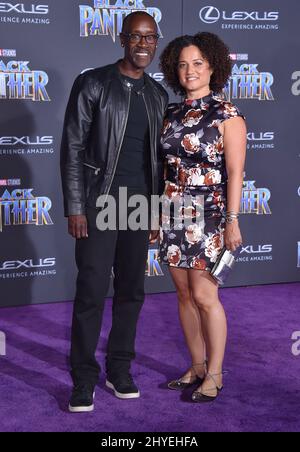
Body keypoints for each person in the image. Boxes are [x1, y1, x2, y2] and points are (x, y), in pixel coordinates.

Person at [60, 11, 168, 413]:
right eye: (136, 37)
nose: (143, 45)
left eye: (150, 38)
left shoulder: (157, 95)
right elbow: (71, 147)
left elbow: (157, 161)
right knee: (91, 291)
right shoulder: (94, 83)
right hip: (99, 201)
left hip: (138, 205)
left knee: (131, 292)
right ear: (122, 39)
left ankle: (119, 368)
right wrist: (76, 206)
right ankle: (83, 377)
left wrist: (157, 211)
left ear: (156, 43)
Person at [159, 32, 247, 402]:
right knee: (182, 293)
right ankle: (195, 365)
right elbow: (162, 169)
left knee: (204, 294)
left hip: (209, 214)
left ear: (213, 66)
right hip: (171, 210)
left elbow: (236, 173)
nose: (189, 70)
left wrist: (232, 219)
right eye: (182, 64)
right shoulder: (171, 112)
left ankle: (215, 373)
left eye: (197, 63)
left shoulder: (228, 115)